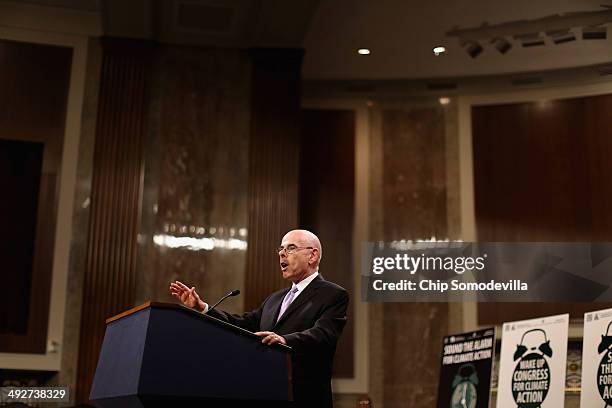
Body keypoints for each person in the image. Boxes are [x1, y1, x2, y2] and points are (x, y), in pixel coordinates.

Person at [169, 229, 349, 408]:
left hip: (304, 397)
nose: (282, 253)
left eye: (291, 248)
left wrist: (284, 340)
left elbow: (323, 334)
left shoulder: (332, 294)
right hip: (266, 393)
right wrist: (204, 308)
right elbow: (244, 325)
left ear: (312, 255)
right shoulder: (274, 299)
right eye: (280, 249)